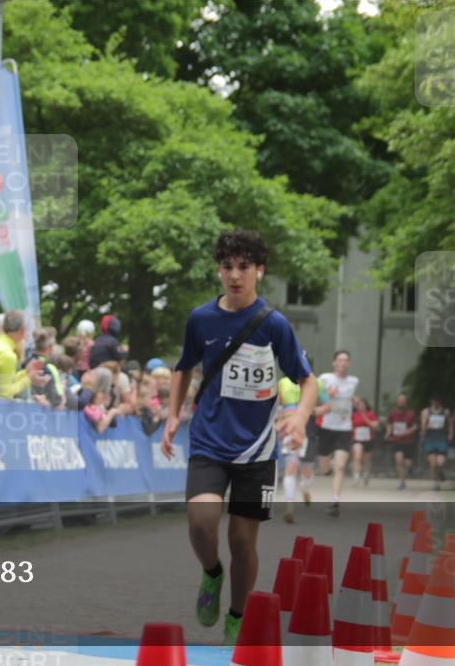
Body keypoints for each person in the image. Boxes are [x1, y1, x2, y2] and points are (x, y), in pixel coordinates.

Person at [161, 229, 316, 645]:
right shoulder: (201, 319)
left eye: (244, 267)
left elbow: (306, 379)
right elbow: (183, 366)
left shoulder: (274, 324)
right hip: (209, 443)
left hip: (257, 450)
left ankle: (238, 616)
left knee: (242, 540)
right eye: (228, 267)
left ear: (259, 271)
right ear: (219, 270)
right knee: (201, 524)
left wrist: (300, 415)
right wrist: (172, 416)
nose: (235, 275)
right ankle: (212, 574)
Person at [277, 353, 331, 524]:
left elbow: (328, 406)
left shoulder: (317, 383)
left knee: (307, 471)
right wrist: (278, 421)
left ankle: (304, 487)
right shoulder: (282, 383)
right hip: (289, 429)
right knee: (291, 467)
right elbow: (277, 405)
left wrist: (309, 411)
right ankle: (290, 508)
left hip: (309, 429)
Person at [318, 350, 359, 517]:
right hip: (327, 427)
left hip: (344, 428)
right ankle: (326, 470)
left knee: (340, 466)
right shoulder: (325, 378)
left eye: (346, 360)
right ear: (334, 362)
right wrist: (328, 395)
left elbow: (349, 395)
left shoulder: (353, 381)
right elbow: (316, 397)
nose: (343, 363)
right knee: (324, 466)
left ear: (349, 363)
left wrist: (354, 400)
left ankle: (335, 502)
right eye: (340, 360)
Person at [0, 310, 48, 400]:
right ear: (22, 330)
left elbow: (3, 380)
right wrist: (28, 379)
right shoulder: (8, 355)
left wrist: (25, 372)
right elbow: (5, 394)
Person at [385, 393, 418, 490]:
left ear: (406, 402)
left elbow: (415, 426)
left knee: (407, 463)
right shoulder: (392, 413)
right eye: (400, 400)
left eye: (403, 400)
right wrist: (388, 432)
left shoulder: (411, 413)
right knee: (399, 460)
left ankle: (408, 471)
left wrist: (407, 432)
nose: (401, 402)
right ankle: (402, 482)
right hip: (397, 440)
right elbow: (389, 423)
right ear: (397, 401)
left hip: (408, 441)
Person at [421, 397, 453, 491]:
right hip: (430, 440)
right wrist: (428, 426)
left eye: (438, 400)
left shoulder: (446, 412)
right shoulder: (426, 412)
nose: (436, 402)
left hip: (441, 440)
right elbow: (423, 427)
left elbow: (450, 423)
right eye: (434, 400)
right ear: (431, 401)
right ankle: (435, 483)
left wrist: (450, 434)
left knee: (439, 462)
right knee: (433, 464)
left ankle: (440, 472)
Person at [351, 397, 379, 487]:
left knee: (366, 459)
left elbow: (375, 425)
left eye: (363, 405)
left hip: (368, 439)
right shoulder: (354, 414)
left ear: (366, 406)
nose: (361, 406)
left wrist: (365, 418)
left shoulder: (370, 414)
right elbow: (350, 425)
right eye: (359, 404)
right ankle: (356, 477)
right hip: (356, 439)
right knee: (357, 456)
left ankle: (366, 474)